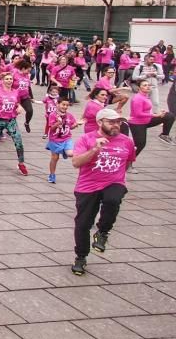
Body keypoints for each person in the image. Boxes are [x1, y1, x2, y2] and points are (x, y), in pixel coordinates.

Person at [70, 108, 136, 276]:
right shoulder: (86, 139)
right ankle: (81, 257)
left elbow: (128, 163)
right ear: (100, 122)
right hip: (88, 186)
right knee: (83, 224)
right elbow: (76, 162)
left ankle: (103, 232)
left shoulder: (126, 141)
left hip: (114, 182)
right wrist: (94, 150)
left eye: (118, 122)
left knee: (113, 199)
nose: (116, 125)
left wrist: (117, 176)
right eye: (111, 122)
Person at [128, 78, 175, 153]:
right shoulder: (137, 98)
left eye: (148, 85)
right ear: (139, 87)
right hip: (137, 124)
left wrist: (159, 113)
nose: (148, 87)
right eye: (145, 85)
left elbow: (147, 110)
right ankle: (127, 161)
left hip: (147, 120)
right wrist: (155, 115)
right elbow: (138, 114)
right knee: (140, 145)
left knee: (169, 116)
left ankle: (164, 135)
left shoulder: (145, 96)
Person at [45, 95, 77, 184]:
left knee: (70, 154)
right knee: (55, 158)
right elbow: (51, 129)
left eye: (67, 105)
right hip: (55, 140)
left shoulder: (69, 116)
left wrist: (76, 125)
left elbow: (71, 126)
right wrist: (57, 124)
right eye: (63, 104)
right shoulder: (52, 115)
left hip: (67, 138)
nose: (65, 107)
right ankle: (52, 175)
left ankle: (67, 152)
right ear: (58, 104)